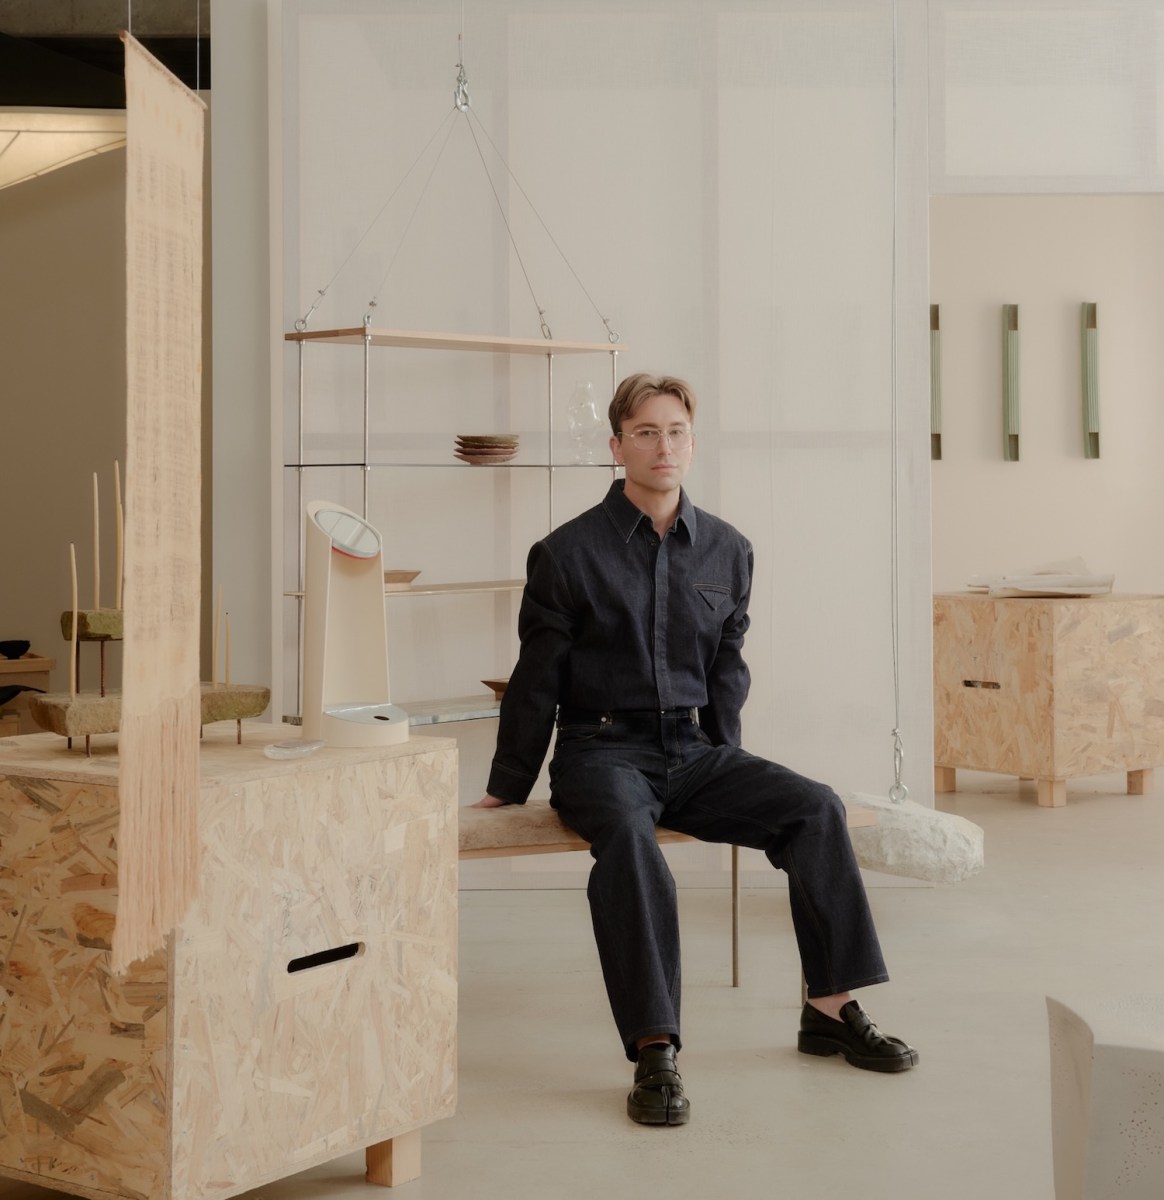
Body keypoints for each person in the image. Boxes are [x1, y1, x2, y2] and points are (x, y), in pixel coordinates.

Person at [473, 372, 917, 1126]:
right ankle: (656, 1048)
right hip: (600, 750)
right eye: (644, 431)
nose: (662, 445)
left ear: (692, 441)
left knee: (813, 808)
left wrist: (730, 764)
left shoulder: (729, 551)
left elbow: (726, 672)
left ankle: (830, 1006)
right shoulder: (566, 554)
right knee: (632, 844)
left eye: (675, 430)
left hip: (694, 748)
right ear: (618, 445)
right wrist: (508, 785)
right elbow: (535, 680)